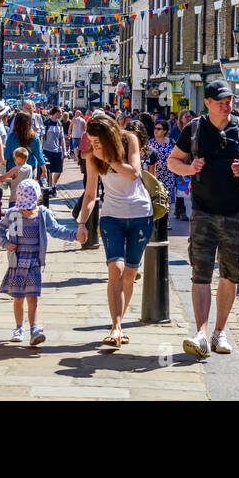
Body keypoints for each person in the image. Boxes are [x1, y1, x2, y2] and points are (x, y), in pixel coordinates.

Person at [167, 81, 239, 358]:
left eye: (230, 100)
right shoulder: (195, 128)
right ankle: (200, 333)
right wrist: (190, 168)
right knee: (200, 272)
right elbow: (172, 161)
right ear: (208, 103)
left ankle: (219, 331)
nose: (228, 104)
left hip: (235, 212)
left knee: (229, 273)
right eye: (222, 100)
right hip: (202, 210)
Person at [76, 113, 154, 348]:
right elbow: (90, 194)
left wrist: (109, 159)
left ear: (110, 135)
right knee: (115, 270)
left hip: (140, 214)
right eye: (91, 141)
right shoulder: (93, 157)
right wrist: (82, 223)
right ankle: (116, 326)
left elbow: (133, 173)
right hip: (111, 217)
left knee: (130, 274)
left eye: (97, 141)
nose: (94, 145)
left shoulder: (129, 139)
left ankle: (120, 324)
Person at [0, 179, 79, 345]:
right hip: (17, 261)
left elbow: (56, 230)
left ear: (37, 200)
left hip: (34, 261)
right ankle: (19, 328)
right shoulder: (13, 214)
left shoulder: (42, 213)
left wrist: (75, 235)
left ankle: (34, 329)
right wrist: (6, 244)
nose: (26, 209)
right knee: (18, 297)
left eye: (29, 205)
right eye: (24, 206)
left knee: (33, 297)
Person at [150, 119, 179, 218]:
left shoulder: (171, 142)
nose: (155, 130)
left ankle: (166, 221)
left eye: (158, 128)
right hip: (154, 173)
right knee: (154, 197)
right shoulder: (150, 143)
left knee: (168, 197)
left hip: (168, 173)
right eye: (155, 128)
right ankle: (155, 219)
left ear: (165, 131)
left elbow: (177, 156)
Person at [41, 107, 66, 198]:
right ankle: (51, 189)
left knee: (59, 170)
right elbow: (42, 137)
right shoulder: (46, 123)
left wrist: (64, 151)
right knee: (50, 170)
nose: (61, 114)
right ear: (56, 112)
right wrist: (41, 148)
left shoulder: (59, 124)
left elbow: (62, 138)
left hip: (57, 150)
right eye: (60, 112)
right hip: (47, 150)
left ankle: (54, 184)